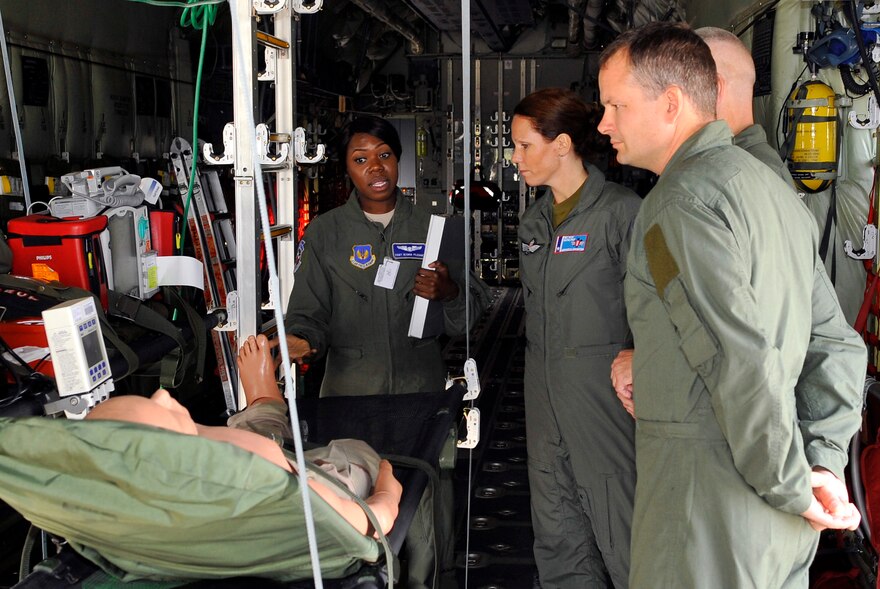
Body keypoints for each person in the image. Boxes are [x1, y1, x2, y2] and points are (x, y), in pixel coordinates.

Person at [597, 22, 866, 588]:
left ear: (670, 103)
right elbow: (835, 343)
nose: (604, 124)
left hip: (705, 517)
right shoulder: (770, 189)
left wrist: (791, 485)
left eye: (616, 105)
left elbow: (731, 355)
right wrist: (821, 463)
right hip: (778, 525)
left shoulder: (677, 204)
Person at [610, 26, 797, 418]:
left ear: (712, 86)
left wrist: (648, 362)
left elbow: (745, 342)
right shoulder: (723, 175)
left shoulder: (723, 183)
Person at [86, 334, 402, 538]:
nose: (163, 396)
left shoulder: (152, 519)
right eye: (168, 417)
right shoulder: (283, 496)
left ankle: (264, 405)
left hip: (250, 480)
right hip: (316, 482)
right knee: (355, 452)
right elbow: (374, 520)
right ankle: (264, 405)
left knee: (246, 441)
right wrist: (387, 485)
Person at [513, 87, 641, 588]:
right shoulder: (533, 222)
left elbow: (659, 306)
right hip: (543, 396)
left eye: (525, 146)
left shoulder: (622, 213)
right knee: (556, 526)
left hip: (604, 398)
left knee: (620, 524)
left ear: (562, 145)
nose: (516, 157)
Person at [280, 115, 485, 398]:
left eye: (385, 155)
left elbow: (465, 322)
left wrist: (450, 293)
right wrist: (302, 339)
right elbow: (308, 312)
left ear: (398, 159)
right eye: (360, 160)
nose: (376, 167)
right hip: (350, 394)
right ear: (347, 169)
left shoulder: (432, 229)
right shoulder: (324, 233)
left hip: (420, 390)